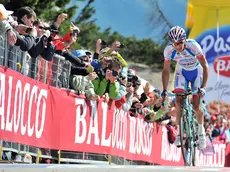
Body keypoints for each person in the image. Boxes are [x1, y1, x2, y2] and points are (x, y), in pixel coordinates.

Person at [161, 26, 209, 149]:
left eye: (180, 43)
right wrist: (165, 90)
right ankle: (180, 131)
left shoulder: (193, 46)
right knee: (178, 102)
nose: (177, 46)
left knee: (196, 105)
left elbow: (205, 66)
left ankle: (201, 131)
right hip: (182, 72)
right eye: (175, 44)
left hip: (196, 71)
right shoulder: (168, 50)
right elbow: (166, 71)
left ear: (185, 40)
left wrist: (203, 87)